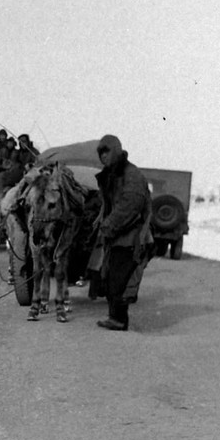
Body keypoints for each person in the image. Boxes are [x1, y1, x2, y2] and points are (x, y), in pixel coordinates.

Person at [94, 135, 153, 331]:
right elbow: (109, 204)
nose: (103, 157)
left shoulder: (131, 175)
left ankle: (119, 320)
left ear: (116, 151)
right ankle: (115, 317)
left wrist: (108, 225)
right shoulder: (112, 174)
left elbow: (130, 205)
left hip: (132, 237)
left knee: (121, 280)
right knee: (112, 277)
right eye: (100, 153)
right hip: (118, 236)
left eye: (106, 152)